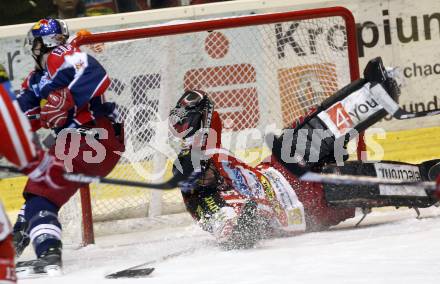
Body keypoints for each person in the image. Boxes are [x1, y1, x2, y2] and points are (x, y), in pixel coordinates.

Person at [169, 57, 440, 249]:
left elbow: (205, 123)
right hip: (302, 202)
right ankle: (429, 182)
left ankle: (371, 94)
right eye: (200, 172)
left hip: (279, 168)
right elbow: (229, 227)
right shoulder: (209, 204)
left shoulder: (209, 156)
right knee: (358, 182)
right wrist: (241, 226)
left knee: (300, 136)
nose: (206, 169)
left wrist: (195, 112)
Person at [12, 18, 125, 275]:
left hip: (90, 136)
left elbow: (94, 72)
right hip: (92, 146)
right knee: (40, 194)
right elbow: (20, 115)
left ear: (39, 45)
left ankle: (49, 253)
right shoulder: (36, 80)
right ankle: (14, 242)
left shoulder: (59, 55)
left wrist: (66, 98)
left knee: (41, 192)